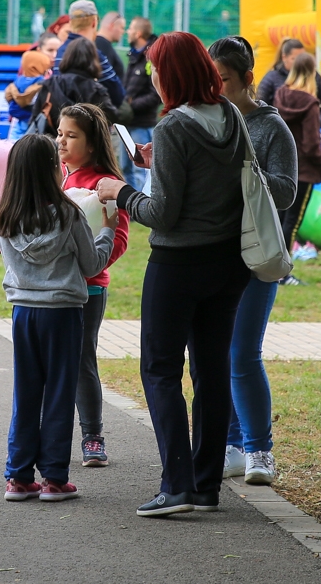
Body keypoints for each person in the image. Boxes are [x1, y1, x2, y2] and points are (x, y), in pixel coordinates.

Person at [93, 32, 249, 517]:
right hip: (228, 262)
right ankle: (205, 486)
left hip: (178, 265)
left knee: (160, 369)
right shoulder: (231, 115)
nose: (153, 78)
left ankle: (176, 485)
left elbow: (162, 213)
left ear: (173, 74)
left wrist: (119, 192)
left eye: (156, 70)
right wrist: (158, 162)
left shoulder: (173, 126)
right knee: (212, 371)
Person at [0, 132, 116, 502]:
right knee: (58, 394)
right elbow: (92, 264)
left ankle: (18, 477)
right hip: (63, 313)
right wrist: (107, 230)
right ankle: (54, 478)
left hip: (23, 314)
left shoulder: (6, 217)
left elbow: (14, 260)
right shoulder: (69, 214)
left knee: (26, 393)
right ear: (53, 169)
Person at [208, 36, 299, 486]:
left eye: (223, 80)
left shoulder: (272, 128)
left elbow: (286, 192)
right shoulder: (209, 121)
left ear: (247, 78)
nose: (215, 89)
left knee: (243, 354)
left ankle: (260, 449)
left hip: (256, 255)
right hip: (215, 252)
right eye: (210, 80)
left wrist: (246, 169)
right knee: (218, 355)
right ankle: (231, 446)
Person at [54, 103, 129, 468]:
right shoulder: (60, 178)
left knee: (83, 361)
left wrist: (90, 265)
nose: (61, 141)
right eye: (59, 133)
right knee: (55, 364)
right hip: (55, 288)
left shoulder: (104, 185)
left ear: (93, 144)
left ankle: (93, 436)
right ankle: (52, 437)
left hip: (89, 289)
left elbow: (118, 238)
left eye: (71, 136)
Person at [271, 51, 321, 260]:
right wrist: (320, 164)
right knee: (292, 222)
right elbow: (311, 143)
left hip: (280, 167)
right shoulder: (310, 103)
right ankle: (283, 269)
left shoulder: (280, 95)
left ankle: (271, 265)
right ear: (312, 73)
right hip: (303, 171)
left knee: (278, 218)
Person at [52, 0, 126, 106]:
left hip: (61, 113)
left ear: (71, 22)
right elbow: (117, 95)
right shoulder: (94, 55)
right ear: (94, 22)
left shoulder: (60, 52)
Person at [43, 37, 117, 128]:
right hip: (83, 136)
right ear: (93, 59)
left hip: (50, 135)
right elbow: (111, 116)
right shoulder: (96, 89)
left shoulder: (50, 83)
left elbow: (37, 114)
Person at [122, 17, 161, 190]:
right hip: (128, 123)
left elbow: (155, 95)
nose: (127, 31)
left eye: (130, 28)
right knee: (125, 168)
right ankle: (130, 204)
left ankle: (142, 202)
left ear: (138, 33)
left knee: (141, 169)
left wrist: (131, 106)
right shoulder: (134, 56)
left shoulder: (151, 58)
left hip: (142, 124)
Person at [256, 36, 321, 122]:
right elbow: (260, 106)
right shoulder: (272, 78)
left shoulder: (313, 76)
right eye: (295, 59)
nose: (300, 62)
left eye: (302, 57)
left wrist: (316, 122)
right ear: (284, 57)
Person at [4, 47, 53, 139]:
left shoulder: (19, 80)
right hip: (32, 118)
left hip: (18, 116)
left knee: (15, 137)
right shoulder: (41, 82)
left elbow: (7, 96)